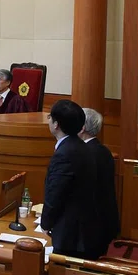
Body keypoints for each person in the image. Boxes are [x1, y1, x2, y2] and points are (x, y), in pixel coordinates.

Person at [40, 100, 100, 259]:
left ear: (56, 125)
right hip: (82, 227)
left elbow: (56, 193)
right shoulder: (82, 146)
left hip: (70, 234)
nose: (48, 120)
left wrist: (46, 223)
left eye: (50, 117)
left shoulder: (65, 154)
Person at [80, 108, 119, 256]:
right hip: (104, 222)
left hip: (90, 228)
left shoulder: (85, 154)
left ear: (82, 128)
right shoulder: (103, 150)